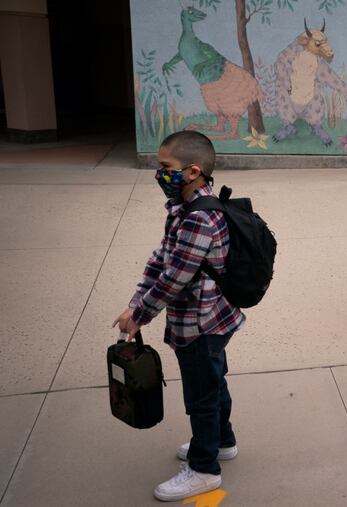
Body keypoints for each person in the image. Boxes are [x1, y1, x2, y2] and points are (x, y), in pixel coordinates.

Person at [112, 131, 244, 502]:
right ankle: (222, 441)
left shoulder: (198, 218)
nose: (159, 173)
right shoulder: (185, 207)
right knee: (214, 382)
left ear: (192, 171)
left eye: (165, 167)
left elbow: (175, 278)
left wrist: (141, 314)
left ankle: (204, 469)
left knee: (201, 395)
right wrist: (137, 299)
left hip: (200, 323)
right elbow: (162, 258)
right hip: (212, 318)